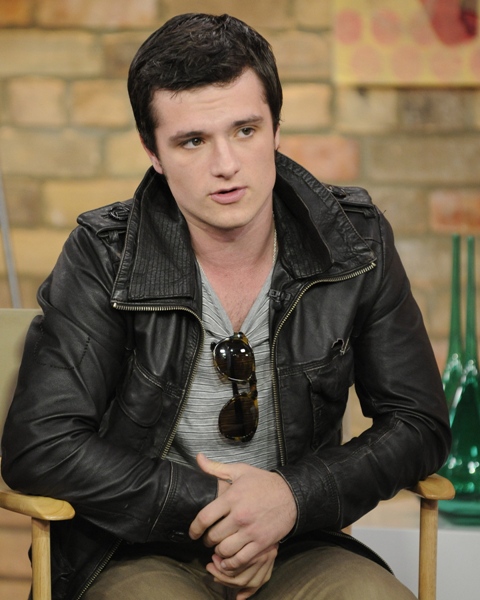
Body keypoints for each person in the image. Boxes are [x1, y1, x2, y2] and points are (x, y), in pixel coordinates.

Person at [1, 13, 450, 600]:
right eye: (192, 140)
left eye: (245, 130)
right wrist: (227, 509)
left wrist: (291, 498)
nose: (226, 165)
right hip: (134, 546)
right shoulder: (103, 254)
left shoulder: (355, 243)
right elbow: (41, 444)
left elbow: (419, 425)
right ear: (152, 151)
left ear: (276, 128)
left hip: (297, 539)